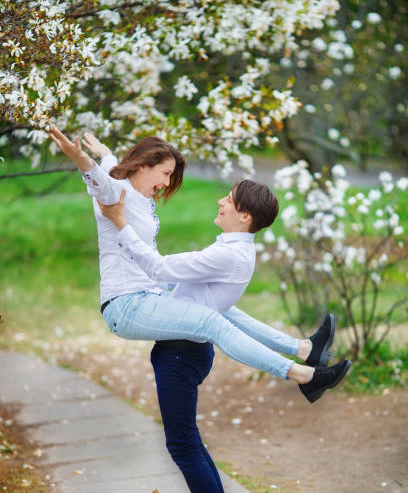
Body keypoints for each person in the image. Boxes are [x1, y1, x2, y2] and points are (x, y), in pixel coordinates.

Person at [49, 125, 351, 399]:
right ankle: (302, 375)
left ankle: (304, 349)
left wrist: (107, 155)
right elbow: (100, 182)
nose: (168, 183)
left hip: (150, 293)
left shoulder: (136, 193)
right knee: (211, 321)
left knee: (218, 307)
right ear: (144, 166)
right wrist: (80, 159)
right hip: (125, 305)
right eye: (166, 174)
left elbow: (113, 170)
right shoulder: (115, 194)